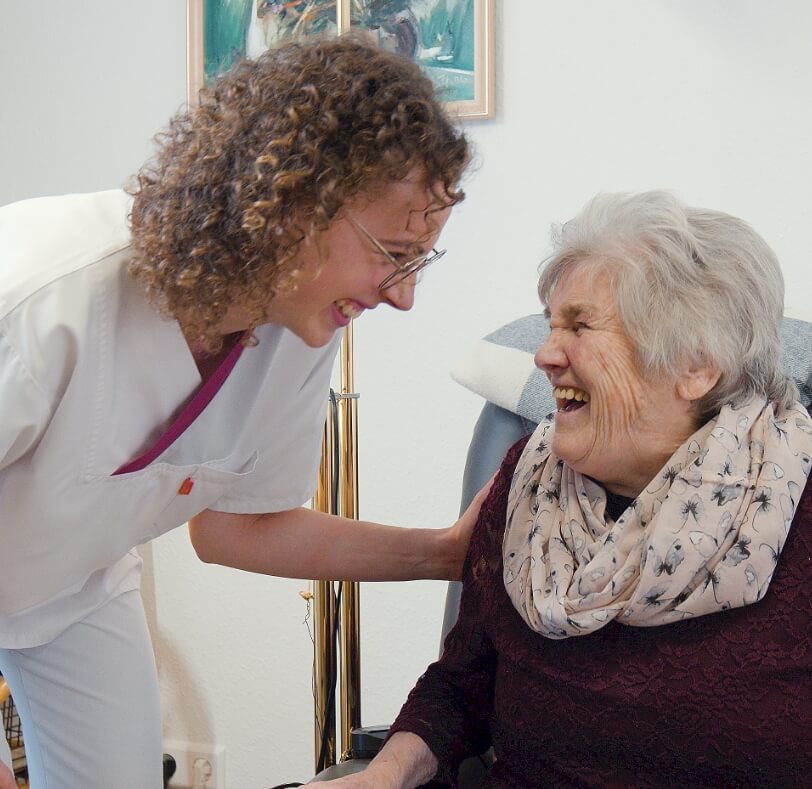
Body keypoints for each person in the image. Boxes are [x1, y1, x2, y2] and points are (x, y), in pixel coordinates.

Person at [0, 36, 487, 789]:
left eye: (417, 261)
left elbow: (234, 526)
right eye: (393, 253)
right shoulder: (43, 295)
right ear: (297, 203)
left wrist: (443, 552)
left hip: (69, 581)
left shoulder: (294, 321)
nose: (402, 294)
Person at [323, 191, 812, 787]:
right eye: (551, 325)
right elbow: (463, 685)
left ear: (695, 367)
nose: (546, 355)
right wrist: (380, 777)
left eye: (579, 325)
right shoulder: (526, 484)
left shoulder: (796, 505)